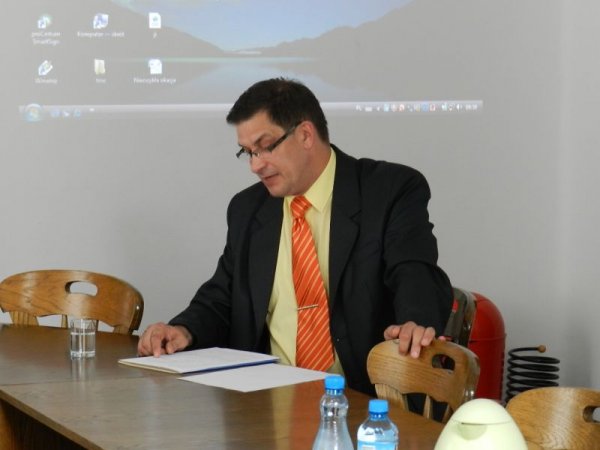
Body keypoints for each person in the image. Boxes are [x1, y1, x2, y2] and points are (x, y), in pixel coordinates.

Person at [138, 77, 453, 394]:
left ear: (305, 135)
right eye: (247, 152)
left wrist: (415, 320)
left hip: (361, 398)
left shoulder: (387, 191)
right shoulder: (248, 209)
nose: (255, 165)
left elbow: (414, 269)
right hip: (266, 399)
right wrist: (184, 329)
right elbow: (222, 296)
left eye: (265, 147)